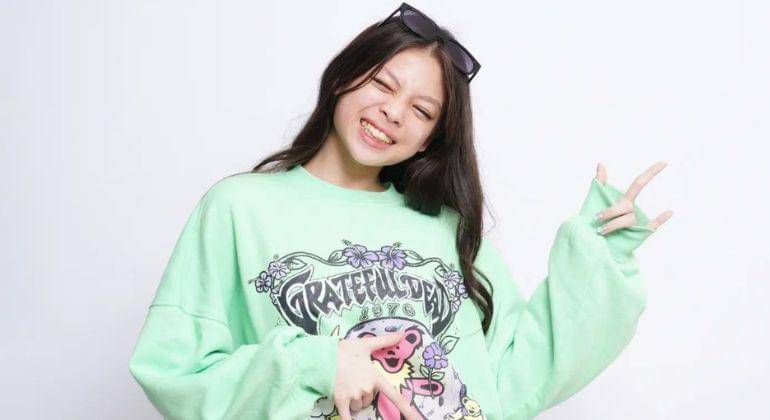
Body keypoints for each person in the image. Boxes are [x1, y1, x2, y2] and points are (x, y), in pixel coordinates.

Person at [128, 2, 672, 419]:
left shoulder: (444, 227)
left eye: (422, 110)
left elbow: (514, 376)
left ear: (429, 139)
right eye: (382, 84)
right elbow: (174, 372)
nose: (392, 112)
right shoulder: (240, 208)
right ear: (343, 77)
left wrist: (601, 256)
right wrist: (319, 363)